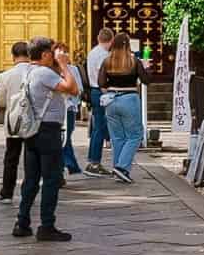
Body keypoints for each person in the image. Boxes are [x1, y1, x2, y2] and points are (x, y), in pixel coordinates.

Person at [11, 37, 81, 241]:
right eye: (51, 52)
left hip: (32, 130)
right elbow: (73, 89)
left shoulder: (29, 71)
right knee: (51, 178)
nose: (54, 55)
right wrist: (64, 65)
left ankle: (22, 222)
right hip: (48, 130)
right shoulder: (44, 73)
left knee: (31, 179)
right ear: (44, 54)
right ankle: (47, 225)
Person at [99, 31, 144, 184]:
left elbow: (101, 83)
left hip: (111, 100)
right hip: (129, 98)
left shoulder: (107, 61)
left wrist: (111, 88)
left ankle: (117, 169)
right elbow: (146, 79)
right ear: (127, 45)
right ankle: (122, 167)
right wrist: (146, 67)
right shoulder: (134, 61)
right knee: (135, 135)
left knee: (117, 137)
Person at [0, 41, 33, 204]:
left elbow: (0, 100)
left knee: (11, 157)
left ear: (13, 56)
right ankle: (29, 191)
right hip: (33, 120)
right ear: (29, 54)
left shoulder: (5, 76)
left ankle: (7, 192)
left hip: (13, 120)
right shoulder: (37, 73)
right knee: (31, 158)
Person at [82, 27, 112, 176]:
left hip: (94, 90)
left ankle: (93, 160)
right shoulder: (104, 55)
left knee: (98, 127)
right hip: (101, 91)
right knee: (99, 127)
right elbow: (103, 77)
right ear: (111, 40)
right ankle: (94, 162)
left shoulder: (92, 52)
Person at [55, 43, 83, 176]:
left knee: (66, 137)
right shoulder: (50, 70)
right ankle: (68, 164)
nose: (62, 55)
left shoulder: (73, 69)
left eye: (65, 52)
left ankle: (68, 164)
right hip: (54, 109)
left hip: (69, 107)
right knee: (59, 139)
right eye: (59, 52)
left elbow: (79, 89)